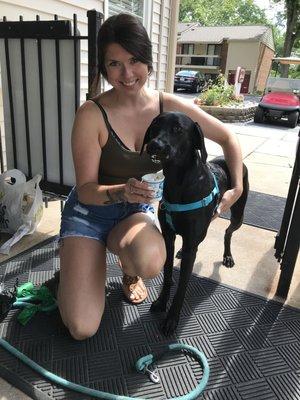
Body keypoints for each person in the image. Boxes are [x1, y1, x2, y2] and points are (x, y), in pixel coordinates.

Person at [58, 13, 243, 341]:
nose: (127, 74)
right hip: (89, 215)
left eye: (134, 60)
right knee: (81, 327)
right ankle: (81, 260)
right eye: (114, 64)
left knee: (151, 259)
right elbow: (85, 190)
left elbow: (228, 138)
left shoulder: (166, 106)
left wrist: (237, 188)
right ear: (103, 67)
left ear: (147, 60)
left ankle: (127, 271)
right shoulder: (91, 114)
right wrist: (123, 190)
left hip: (132, 216)